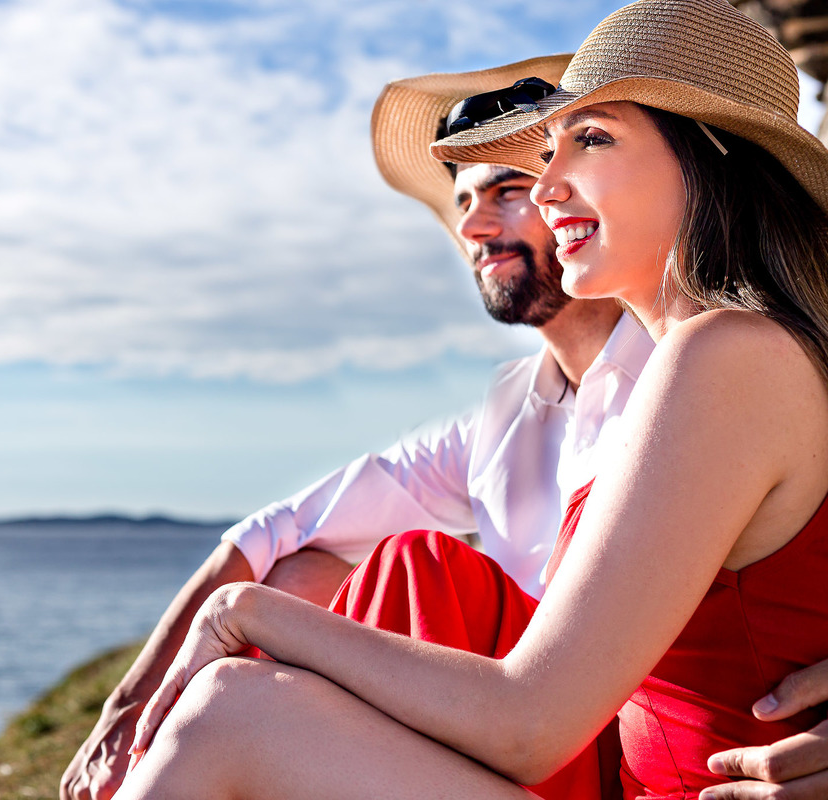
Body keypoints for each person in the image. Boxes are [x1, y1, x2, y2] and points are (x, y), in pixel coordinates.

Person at [114, 1, 828, 798]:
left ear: (710, 157)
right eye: (547, 151)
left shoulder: (728, 353)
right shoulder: (710, 360)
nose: (549, 184)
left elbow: (527, 725)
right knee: (378, 587)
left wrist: (245, 614)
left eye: (590, 139)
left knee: (231, 710)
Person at [61, 55, 650, 800]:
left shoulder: (685, 374)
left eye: (506, 192)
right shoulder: (509, 409)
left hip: (591, 743)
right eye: (463, 201)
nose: (470, 226)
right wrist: (125, 707)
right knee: (303, 575)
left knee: (416, 566)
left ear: (578, 204)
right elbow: (274, 530)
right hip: (504, 734)